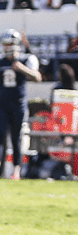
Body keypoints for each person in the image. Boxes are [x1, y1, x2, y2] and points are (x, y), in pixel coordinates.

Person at [0, 29, 41, 179]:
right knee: (1, 135)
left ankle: (16, 171)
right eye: (5, 44)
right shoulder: (1, 61)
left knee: (16, 138)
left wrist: (21, 68)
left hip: (18, 104)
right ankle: (2, 170)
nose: (7, 47)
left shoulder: (25, 59)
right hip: (2, 104)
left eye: (10, 43)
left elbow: (37, 77)